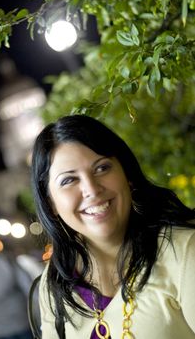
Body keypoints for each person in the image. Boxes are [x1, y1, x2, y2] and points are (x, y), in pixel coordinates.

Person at [31, 114, 195, 339]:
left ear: (127, 175)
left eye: (102, 168)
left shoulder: (184, 251)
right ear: (51, 204)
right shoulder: (56, 279)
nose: (91, 189)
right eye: (69, 180)